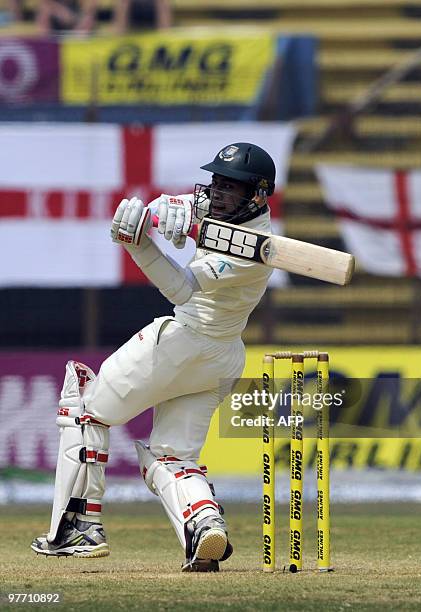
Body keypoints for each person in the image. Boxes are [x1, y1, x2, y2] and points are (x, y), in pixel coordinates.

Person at [30, 142, 276, 572]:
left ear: (256, 195)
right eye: (215, 182)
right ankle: (204, 527)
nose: (216, 193)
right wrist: (155, 210)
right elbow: (171, 207)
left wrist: (138, 245)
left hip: (185, 340)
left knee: (86, 407)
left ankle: (77, 530)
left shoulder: (255, 252)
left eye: (229, 187)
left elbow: (183, 289)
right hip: (224, 359)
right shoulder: (219, 208)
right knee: (172, 455)